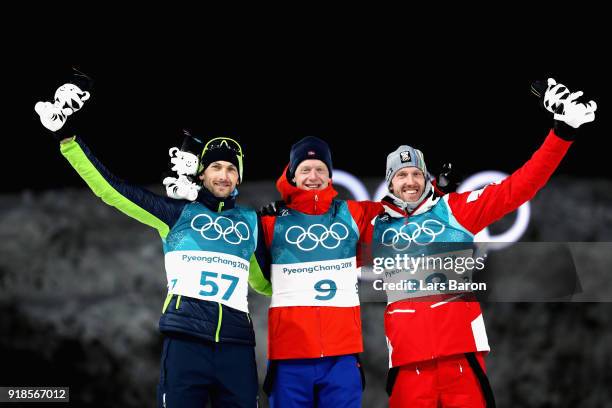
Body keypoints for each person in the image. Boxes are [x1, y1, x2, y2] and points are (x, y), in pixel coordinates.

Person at [35, 72, 271, 408]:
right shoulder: (176, 214)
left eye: (231, 169)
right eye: (216, 167)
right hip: (186, 342)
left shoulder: (249, 222)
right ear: (202, 174)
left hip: (236, 345)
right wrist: (67, 138)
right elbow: (112, 190)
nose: (223, 175)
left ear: (239, 177)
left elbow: (266, 284)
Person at [364, 78, 597, 407]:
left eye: (416, 173)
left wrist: (563, 131)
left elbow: (521, 186)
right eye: (401, 175)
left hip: (462, 360)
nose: (410, 180)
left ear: (426, 178)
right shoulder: (376, 225)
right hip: (407, 365)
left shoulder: (454, 211)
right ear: (390, 184)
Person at [258, 136, 381, 407]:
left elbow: (406, 211)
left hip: (342, 356)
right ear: (292, 174)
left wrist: (437, 192)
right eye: (305, 169)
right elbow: (253, 272)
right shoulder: (269, 221)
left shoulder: (352, 214)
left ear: (330, 176)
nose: (313, 176)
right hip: (289, 357)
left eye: (320, 169)